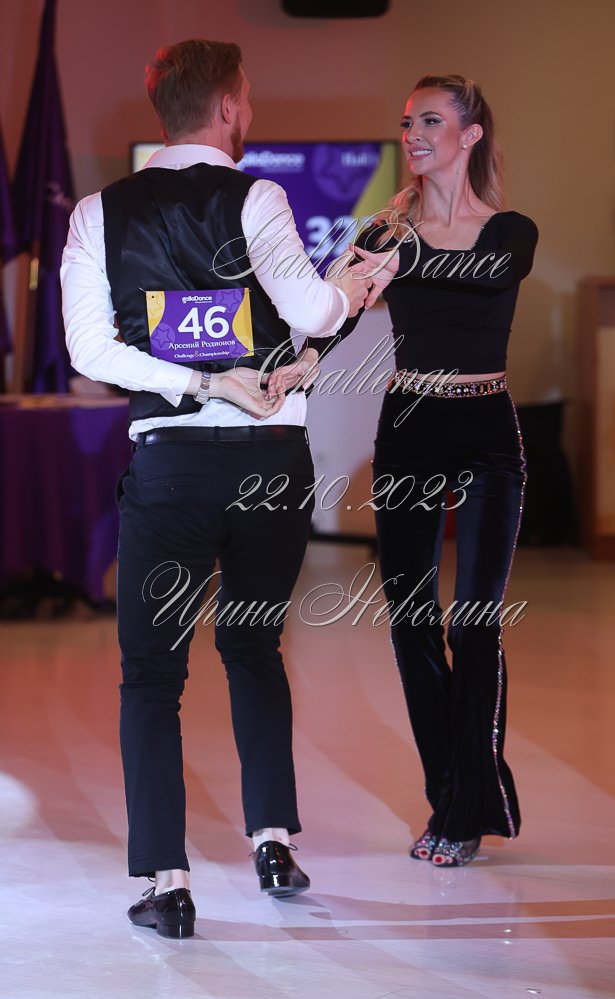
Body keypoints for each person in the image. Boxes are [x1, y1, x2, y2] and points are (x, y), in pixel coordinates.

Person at [60, 38, 369, 938]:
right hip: (270, 465)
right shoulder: (258, 196)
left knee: (152, 675)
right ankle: (273, 842)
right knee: (255, 646)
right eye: (249, 98)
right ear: (230, 107)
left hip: (173, 469)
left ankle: (168, 883)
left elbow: (89, 350)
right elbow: (311, 312)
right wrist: (348, 288)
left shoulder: (97, 213)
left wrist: (197, 380)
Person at [306, 75, 538, 867]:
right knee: (411, 623)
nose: (412, 133)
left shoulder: (510, 231)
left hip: (485, 427)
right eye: (407, 120)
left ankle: (464, 806)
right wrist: (297, 363)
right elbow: (337, 314)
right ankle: (457, 798)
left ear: (470, 135)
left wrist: (398, 261)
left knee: (474, 623)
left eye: (431, 120)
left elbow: (486, 275)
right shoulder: (384, 231)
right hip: (408, 424)